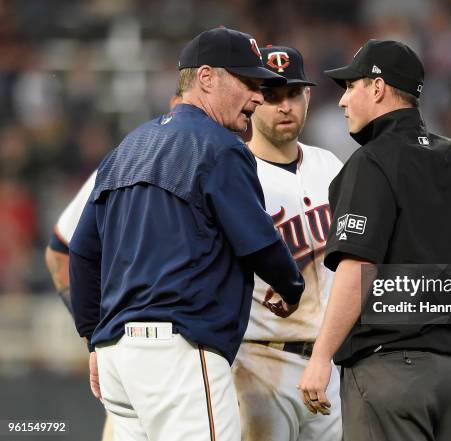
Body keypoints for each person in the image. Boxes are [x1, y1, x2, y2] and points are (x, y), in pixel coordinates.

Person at [68, 27, 305, 441]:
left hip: (117, 360)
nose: (258, 96)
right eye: (249, 82)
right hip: (178, 357)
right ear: (207, 78)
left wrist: (93, 338)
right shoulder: (220, 147)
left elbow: (83, 252)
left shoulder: (127, 148)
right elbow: (261, 244)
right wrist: (292, 285)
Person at [298, 39, 451, 441]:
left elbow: (358, 266)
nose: (344, 101)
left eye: (351, 87)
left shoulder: (372, 162)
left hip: (393, 371)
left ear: (377, 88)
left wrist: (322, 356)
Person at [44, 94, 183, 441]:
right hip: (133, 354)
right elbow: (60, 251)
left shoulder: (230, 163)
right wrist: (93, 334)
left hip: (218, 360)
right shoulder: (126, 162)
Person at [231, 45, 343, 441]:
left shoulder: (331, 166)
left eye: (293, 94)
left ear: (308, 97)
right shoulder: (234, 172)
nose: (284, 106)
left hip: (329, 362)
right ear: (253, 99)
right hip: (259, 358)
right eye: (273, 95)